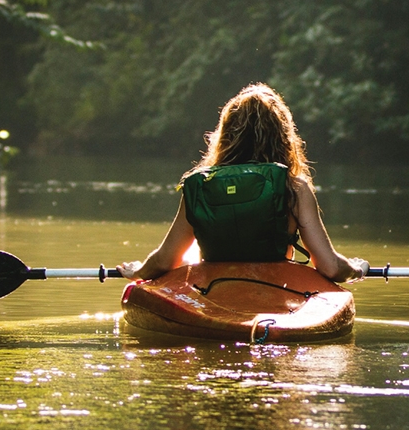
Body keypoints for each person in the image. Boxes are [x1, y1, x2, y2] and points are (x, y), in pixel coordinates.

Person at [117, 83, 369, 284]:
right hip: (278, 289)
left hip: (213, 289)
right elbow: (330, 267)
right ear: (283, 137)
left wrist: (139, 271)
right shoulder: (294, 189)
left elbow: (164, 261)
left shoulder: (201, 186)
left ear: (225, 135)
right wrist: (356, 269)